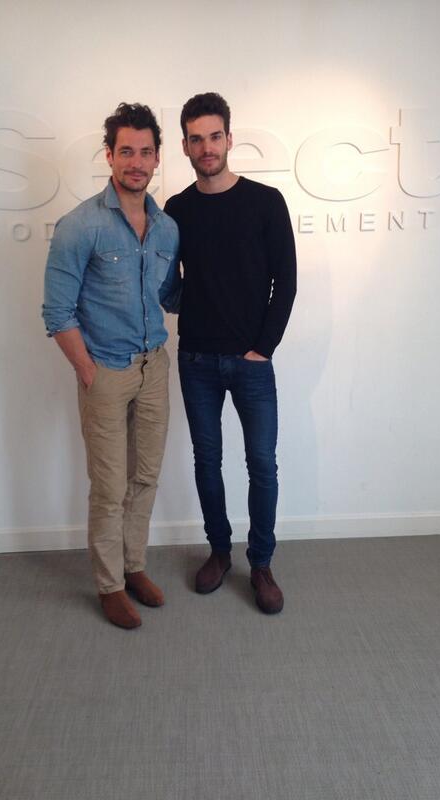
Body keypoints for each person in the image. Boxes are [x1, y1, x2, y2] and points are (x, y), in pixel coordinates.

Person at [42, 103, 180, 629]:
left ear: (157, 158)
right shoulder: (80, 225)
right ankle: (110, 585)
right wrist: (87, 370)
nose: (136, 162)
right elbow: (57, 312)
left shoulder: (167, 228)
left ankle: (134, 565)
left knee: (144, 478)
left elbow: (170, 296)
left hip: (154, 369)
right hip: (105, 371)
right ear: (109, 155)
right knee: (109, 486)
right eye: (127, 151)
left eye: (145, 152)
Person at [164, 92, 296, 614]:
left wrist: (262, 349)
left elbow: (285, 282)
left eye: (214, 136)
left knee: (262, 464)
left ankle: (260, 563)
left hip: (251, 363)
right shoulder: (176, 210)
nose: (207, 147)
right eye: (196, 139)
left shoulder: (266, 202)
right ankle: (219, 551)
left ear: (229, 139)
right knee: (207, 461)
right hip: (196, 359)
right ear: (185, 146)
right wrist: (188, 304)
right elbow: (167, 282)